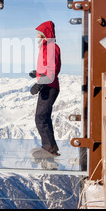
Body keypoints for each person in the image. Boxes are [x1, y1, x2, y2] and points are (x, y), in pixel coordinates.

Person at [29, 20, 61, 158]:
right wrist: (37, 73)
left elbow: (52, 69)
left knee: (41, 117)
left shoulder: (51, 47)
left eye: (39, 34)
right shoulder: (47, 47)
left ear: (45, 34)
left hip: (49, 86)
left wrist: (39, 83)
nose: (37, 37)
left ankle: (49, 149)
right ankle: (49, 147)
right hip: (47, 85)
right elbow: (47, 67)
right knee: (43, 116)